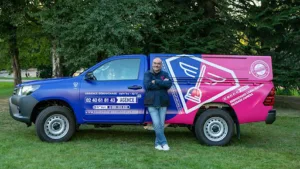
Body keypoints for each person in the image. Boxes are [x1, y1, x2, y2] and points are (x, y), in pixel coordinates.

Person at [143, 57, 172, 151]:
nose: (156, 65)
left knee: (161, 124)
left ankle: (157, 144)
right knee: (156, 124)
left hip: (163, 102)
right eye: (155, 63)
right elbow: (147, 86)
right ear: (152, 64)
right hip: (151, 102)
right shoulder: (147, 74)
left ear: (161, 65)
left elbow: (169, 84)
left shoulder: (165, 74)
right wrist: (162, 83)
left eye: (158, 63)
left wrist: (156, 81)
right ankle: (164, 142)